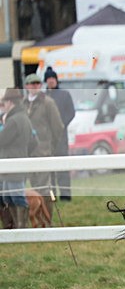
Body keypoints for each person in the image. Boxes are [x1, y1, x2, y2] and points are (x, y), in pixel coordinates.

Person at [24, 73, 63, 226]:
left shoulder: (48, 103)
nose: (35, 86)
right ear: (26, 86)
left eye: (37, 83)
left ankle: (48, 221)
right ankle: (38, 222)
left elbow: (58, 127)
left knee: (44, 189)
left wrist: (50, 147)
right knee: (32, 190)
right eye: (32, 84)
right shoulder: (23, 103)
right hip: (27, 153)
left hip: (43, 152)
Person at [0, 88, 34, 229]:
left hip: (12, 164)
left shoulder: (13, 121)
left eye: (4, 102)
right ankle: (16, 227)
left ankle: (20, 228)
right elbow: (34, 142)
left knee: (16, 197)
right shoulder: (24, 118)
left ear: (10, 102)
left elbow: (2, 140)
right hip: (17, 162)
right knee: (8, 197)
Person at [44, 67, 75, 201]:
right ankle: (52, 195)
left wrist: (61, 125)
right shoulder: (43, 96)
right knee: (49, 168)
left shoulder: (64, 95)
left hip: (61, 138)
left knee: (63, 166)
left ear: (56, 80)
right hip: (46, 139)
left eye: (53, 78)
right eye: (49, 79)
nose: (51, 81)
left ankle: (65, 194)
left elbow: (71, 112)